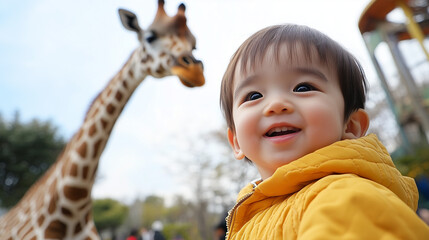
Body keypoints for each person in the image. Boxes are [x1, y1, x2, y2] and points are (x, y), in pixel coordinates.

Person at [220, 24, 429, 239]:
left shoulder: (345, 198)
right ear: (235, 141)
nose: (276, 104)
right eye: (253, 95)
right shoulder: (255, 215)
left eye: (303, 88)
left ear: (350, 125)